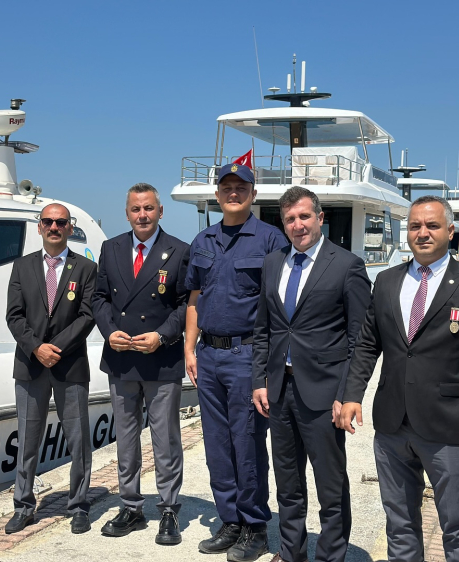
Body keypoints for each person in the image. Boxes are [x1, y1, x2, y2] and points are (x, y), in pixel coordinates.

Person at [337, 195, 459, 562]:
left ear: (450, 230)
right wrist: (352, 394)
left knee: (458, 525)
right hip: (392, 425)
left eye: (432, 225)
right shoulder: (386, 281)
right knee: (399, 523)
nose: (423, 233)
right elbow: (368, 344)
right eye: (415, 226)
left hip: (450, 426)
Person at [252, 187, 371, 562]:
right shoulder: (273, 263)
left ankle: (331, 555)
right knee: (287, 481)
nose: (298, 224)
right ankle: (292, 552)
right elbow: (264, 329)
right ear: (283, 224)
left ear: (320, 218)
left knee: (330, 484)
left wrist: (347, 394)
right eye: (290, 219)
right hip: (280, 390)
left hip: (324, 394)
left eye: (304, 216)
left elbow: (359, 340)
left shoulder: (347, 265)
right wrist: (259, 380)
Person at [185, 163, 287, 562]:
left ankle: (255, 526)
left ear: (253, 194)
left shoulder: (270, 239)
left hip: (247, 355)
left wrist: (267, 365)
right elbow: (194, 297)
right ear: (217, 194)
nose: (233, 193)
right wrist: (189, 349)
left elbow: (279, 305)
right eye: (226, 187)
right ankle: (229, 520)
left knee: (247, 443)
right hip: (208, 355)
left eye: (241, 187)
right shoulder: (203, 240)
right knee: (216, 444)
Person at [92, 183, 190, 545]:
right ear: (127, 213)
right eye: (136, 209)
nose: (143, 215)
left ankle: (169, 509)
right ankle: (131, 506)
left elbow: (186, 304)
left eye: (149, 208)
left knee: (165, 440)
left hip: (161, 359)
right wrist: (109, 331)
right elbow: (99, 298)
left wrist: (162, 336)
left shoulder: (179, 251)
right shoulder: (111, 248)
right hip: (121, 358)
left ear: (160, 212)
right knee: (126, 439)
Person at [5, 203, 98, 535]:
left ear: (70, 228)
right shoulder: (22, 266)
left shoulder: (86, 268)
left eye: (60, 222)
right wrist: (36, 347)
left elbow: (88, 315)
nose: (54, 227)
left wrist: (55, 348)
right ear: (39, 227)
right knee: (28, 440)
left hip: (69, 365)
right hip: (30, 365)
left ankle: (79, 506)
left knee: (78, 440)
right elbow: (14, 315)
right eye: (48, 222)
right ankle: (23, 506)